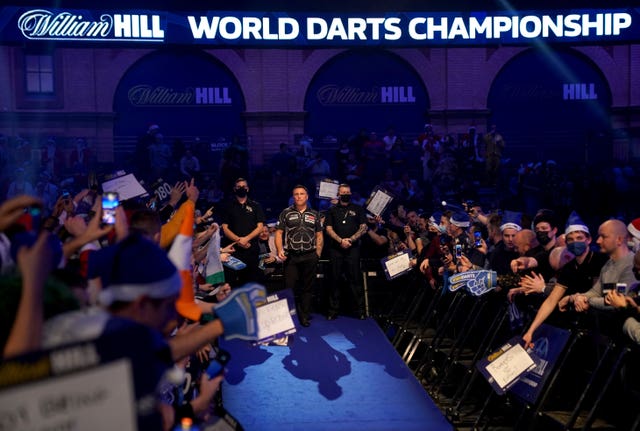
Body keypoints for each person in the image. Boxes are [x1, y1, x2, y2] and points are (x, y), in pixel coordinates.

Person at [275, 185, 323, 327]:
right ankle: (288, 316)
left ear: (307, 196)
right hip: (292, 256)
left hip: (310, 255)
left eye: (302, 194)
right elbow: (278, 233)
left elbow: (319, 235)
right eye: (296, 194)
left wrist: (317, 254)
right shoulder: (285, 213)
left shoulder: (315, 214)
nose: (299, 196)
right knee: (289, 287)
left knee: (307, 288)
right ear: (293, 197)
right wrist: (279, 250)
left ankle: (304, 316)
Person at [324, 183, 368, 320]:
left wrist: (350, 240)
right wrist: (340, 240)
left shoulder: (358, 209)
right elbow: (328, 228)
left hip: (353, 248)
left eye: (348, 192)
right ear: (338, 194)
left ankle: (360, 310)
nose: (346, 194)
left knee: (355, 279)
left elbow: (364, 227)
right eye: (343, 192)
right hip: (336, 249)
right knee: (334, 279)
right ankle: (333, 310)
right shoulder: (332, 210)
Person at [220, 178, 266, 285]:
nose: (242, 188)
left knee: (251, 283)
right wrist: (239, 241)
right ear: (234, 189)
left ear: (248, 189)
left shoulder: (256, 206)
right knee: (232, 283)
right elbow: (225, 228)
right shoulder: (228, 206)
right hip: (232, 250)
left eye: (244, 186)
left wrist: (246, 239)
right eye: (239, 186)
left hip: (251, 249)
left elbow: (260, 227)